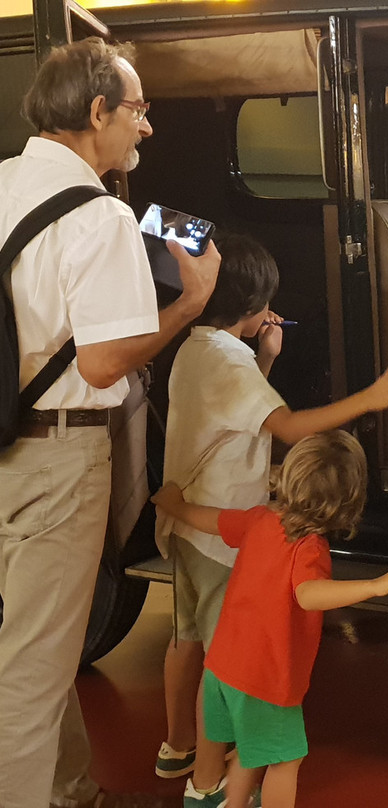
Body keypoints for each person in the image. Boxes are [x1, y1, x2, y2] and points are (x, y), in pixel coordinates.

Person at [0, 37, 221, 808]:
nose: (146, 127)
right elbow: (102, 365)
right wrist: (190, 303)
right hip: (55, 460)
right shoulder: (100, 218)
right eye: (137, 109)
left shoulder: (1, 184)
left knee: (34, 646)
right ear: (96, 111)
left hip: (2, 440)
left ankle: (67, 789)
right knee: (29, 673)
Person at [153, 231, 388, 807]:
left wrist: (264, 356)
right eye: (263, 304)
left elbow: (240, 412)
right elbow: (289, 428)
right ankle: (209, 782)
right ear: (249, 310)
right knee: (225, 659)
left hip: (196, 526)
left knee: (188, 640)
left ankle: (177, 750)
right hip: (220, 543)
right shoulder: (229, 362)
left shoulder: (199, 348)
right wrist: (366, 399)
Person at [152, 430, 388, 808]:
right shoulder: (310, 548)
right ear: (348, 501)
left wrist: (175, 507)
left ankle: (207, 798)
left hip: (221, 668)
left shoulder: (260, 520)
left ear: (288, 475)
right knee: (283, 761)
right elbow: (308, 594)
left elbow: (213, 520)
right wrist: (376, 585)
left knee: (247, 751)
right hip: (265, 679)